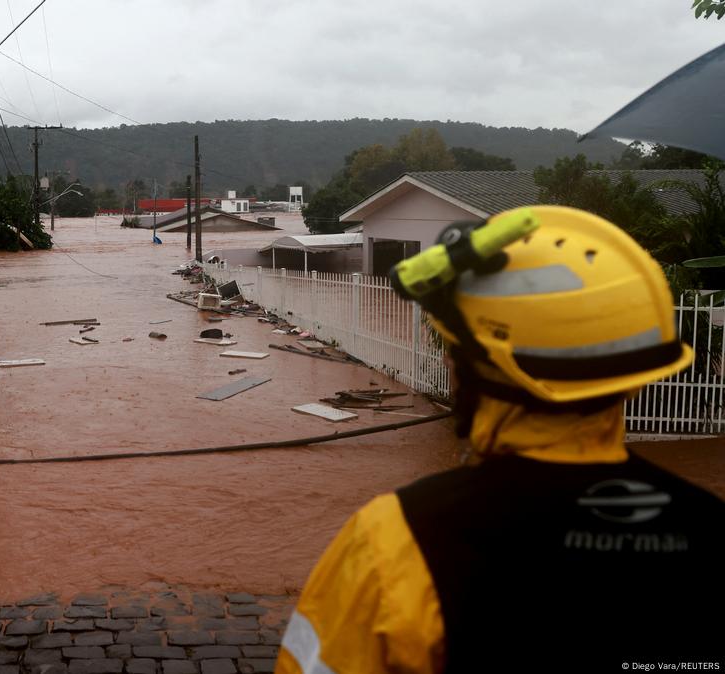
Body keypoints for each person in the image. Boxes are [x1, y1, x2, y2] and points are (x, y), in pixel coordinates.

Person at [276, 205, 724, 674]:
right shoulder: (712, 524)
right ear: (638, 367)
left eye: (452, 350)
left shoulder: (400, 539)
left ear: (475, 366)